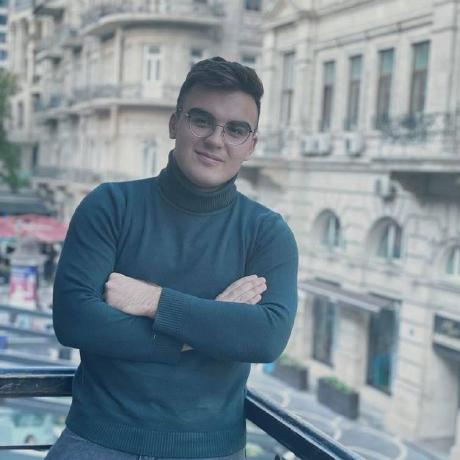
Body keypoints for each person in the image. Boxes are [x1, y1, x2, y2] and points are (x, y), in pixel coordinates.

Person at [48, 57, 298, 460]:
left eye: (236, 130)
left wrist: (153, 301)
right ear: (174, 123)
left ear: (251, 145)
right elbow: (76, 320)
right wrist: (212, 323)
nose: (215, 140)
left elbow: (265, 337)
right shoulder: (110, 205)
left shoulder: (266, 232)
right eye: (201, 120)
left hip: (211, 453)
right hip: (95, 444)